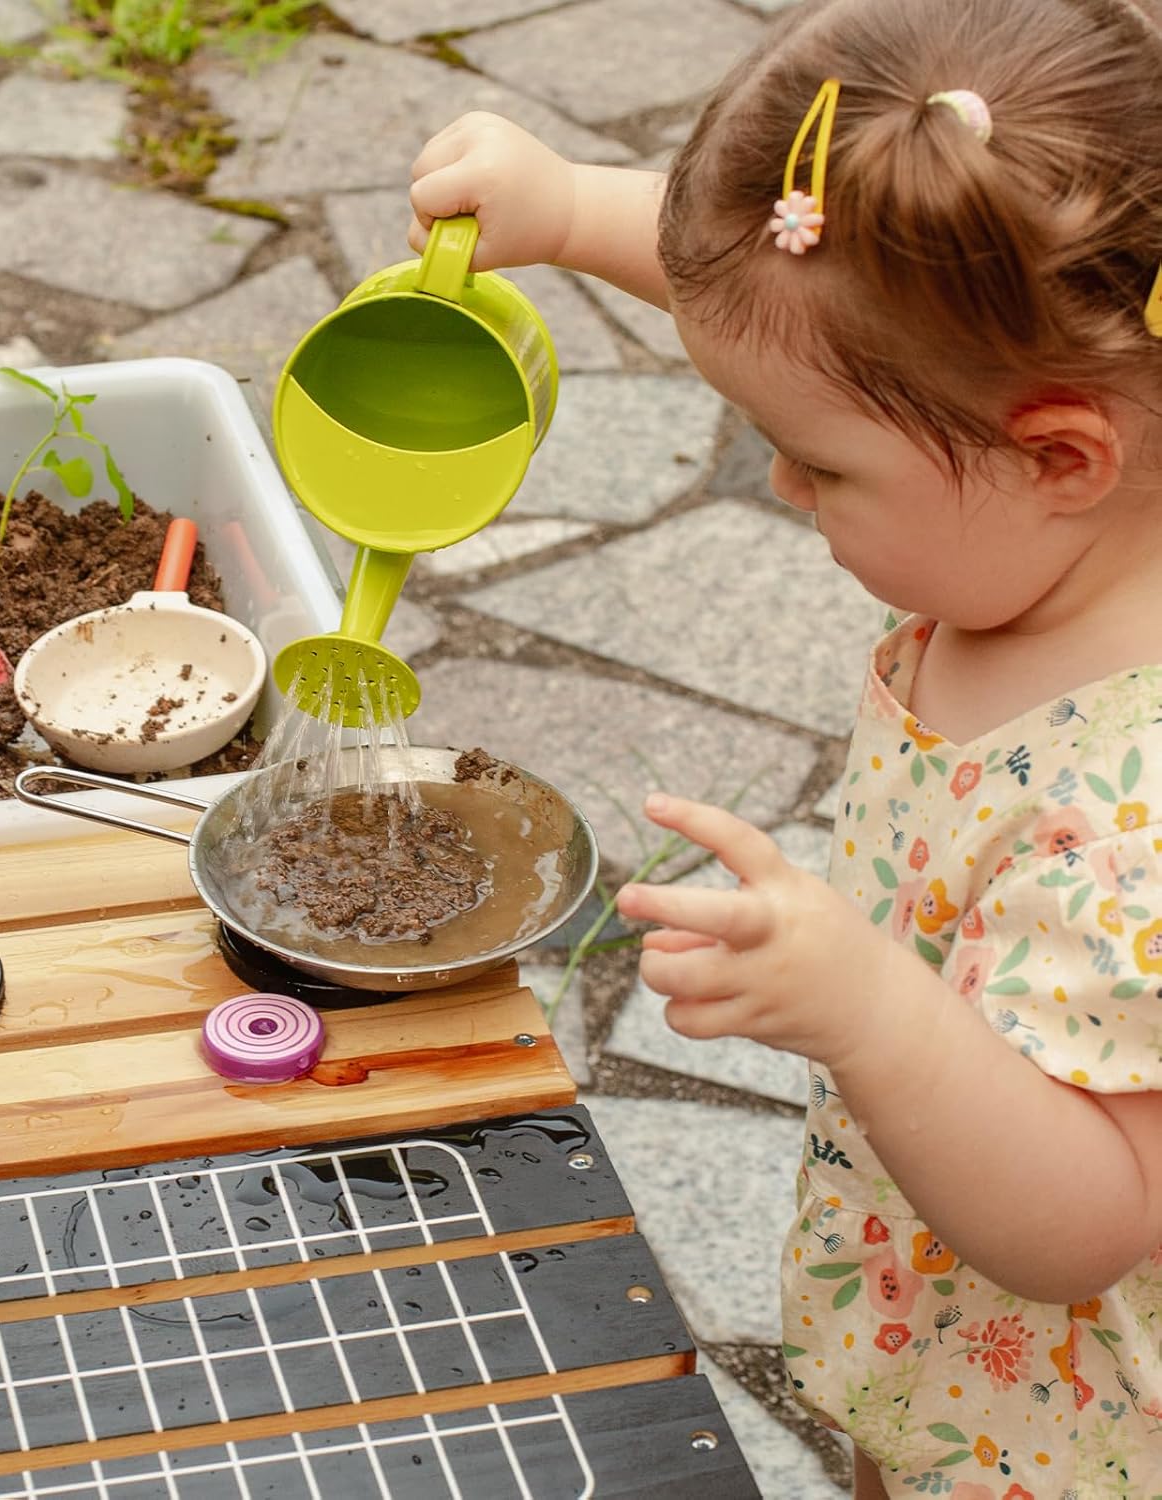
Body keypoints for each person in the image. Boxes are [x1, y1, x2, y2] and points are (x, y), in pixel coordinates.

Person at [409, 1, 1162, 1495]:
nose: (781, 481)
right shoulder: (1054, 471)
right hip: (949, 1342)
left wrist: (870, 1011)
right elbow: (801, 300)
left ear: (1061, 456)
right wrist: (567, 208)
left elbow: (1089, 1222)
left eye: (823, 464)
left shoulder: (1133, 817)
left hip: (1073, 1432)